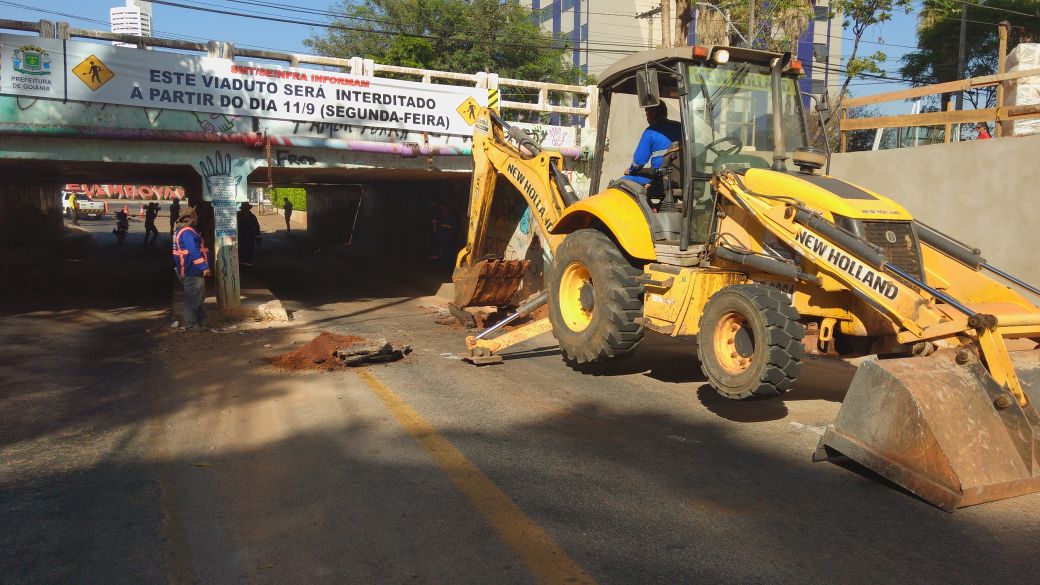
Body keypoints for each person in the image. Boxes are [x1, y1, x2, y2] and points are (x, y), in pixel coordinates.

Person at [622, 101, 683, 186]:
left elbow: (638, 162)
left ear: (653, 113)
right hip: (682, 176)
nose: (647, 118)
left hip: (660, 178)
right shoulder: (680, 127)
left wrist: (630, 170)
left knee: (620, 183)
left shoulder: (651, 131)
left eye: (647, 114)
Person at [172, 208, 210, 332]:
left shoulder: (180, 231)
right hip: (192, 271)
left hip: (188, 270)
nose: (198, 218)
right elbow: (194, 251)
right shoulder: (187, 233)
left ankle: (202, 321)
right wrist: (204, 267)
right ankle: (191, 325)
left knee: (198, 298)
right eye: (196, 216)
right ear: (190, 218)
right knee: (192, 299)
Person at [237, 201, 261, 267]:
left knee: (249, 251)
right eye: (244, 208)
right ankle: (241, 264)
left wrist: (258, 238)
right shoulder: (237, 215)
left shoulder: (252, 217)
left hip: (250, 238)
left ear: (248, 209)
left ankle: (247, 265)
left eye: (246, 208)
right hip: (240, 238)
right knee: (241, 251)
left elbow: (256, 227)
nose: (245, 210)